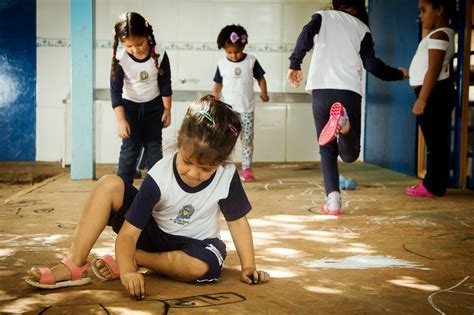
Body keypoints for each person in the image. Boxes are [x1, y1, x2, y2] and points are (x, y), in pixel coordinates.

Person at [25, 95, 270, 299]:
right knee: (109, 184)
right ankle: (74, 265)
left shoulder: (226, 175)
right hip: (150, 234)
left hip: (196, 245)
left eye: (207, 169)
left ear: (222, 162)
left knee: (198, 267)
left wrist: (249, 266)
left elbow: (237, 222)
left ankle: (133, 259)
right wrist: (130, 273)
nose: (194, 174)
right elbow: (129, 233)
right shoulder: (160, 175)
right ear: (179, 143)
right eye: (187, 161)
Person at [287, 0, 408, 215]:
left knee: (326, 149)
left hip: (321, 91)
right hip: (348, 92)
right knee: (350, 155)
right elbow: (372, 65)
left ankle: (333, 202)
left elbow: (305, 36)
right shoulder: (362, 28)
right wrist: (399, 74)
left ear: (334, 3)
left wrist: (295, 63)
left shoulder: (322, 16)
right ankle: (343, 124)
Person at [111, 12, 172, 184]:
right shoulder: (120, 58)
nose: (135, 50)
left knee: (154, 149)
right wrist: (121, 120)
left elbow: (165, 83)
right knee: (130, 149)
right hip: (130, 108)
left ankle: (156, 189)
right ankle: (122, 189)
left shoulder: (160, 54)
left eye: (139, 44)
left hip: (154, 108)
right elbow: (115, 92)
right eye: (129, 46)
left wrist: (167, 109)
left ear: (147, 36)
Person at [406, 0, 455, 197]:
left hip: (433, 94)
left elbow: (433, 69)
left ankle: (432, 185)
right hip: (435, 92)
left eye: (423, 10)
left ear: (440, 9)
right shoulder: (440, 34)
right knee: (436, 141)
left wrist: (422, 99)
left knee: (434, 142)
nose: (420, 16)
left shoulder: (439, 34)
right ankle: (437, 184)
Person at [213, 24, 269, 182]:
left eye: (237, 52)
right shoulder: (221, 63)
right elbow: (218, 83)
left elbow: (261, 78)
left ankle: (246, 168)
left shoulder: (251, 61)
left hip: (247, 109)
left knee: (247, 139)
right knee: (225, 139)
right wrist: (214, 96)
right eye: (229, 52)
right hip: (228, 109)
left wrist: (264, 93)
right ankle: (223, 166)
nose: (233, 55)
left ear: (243, 45)